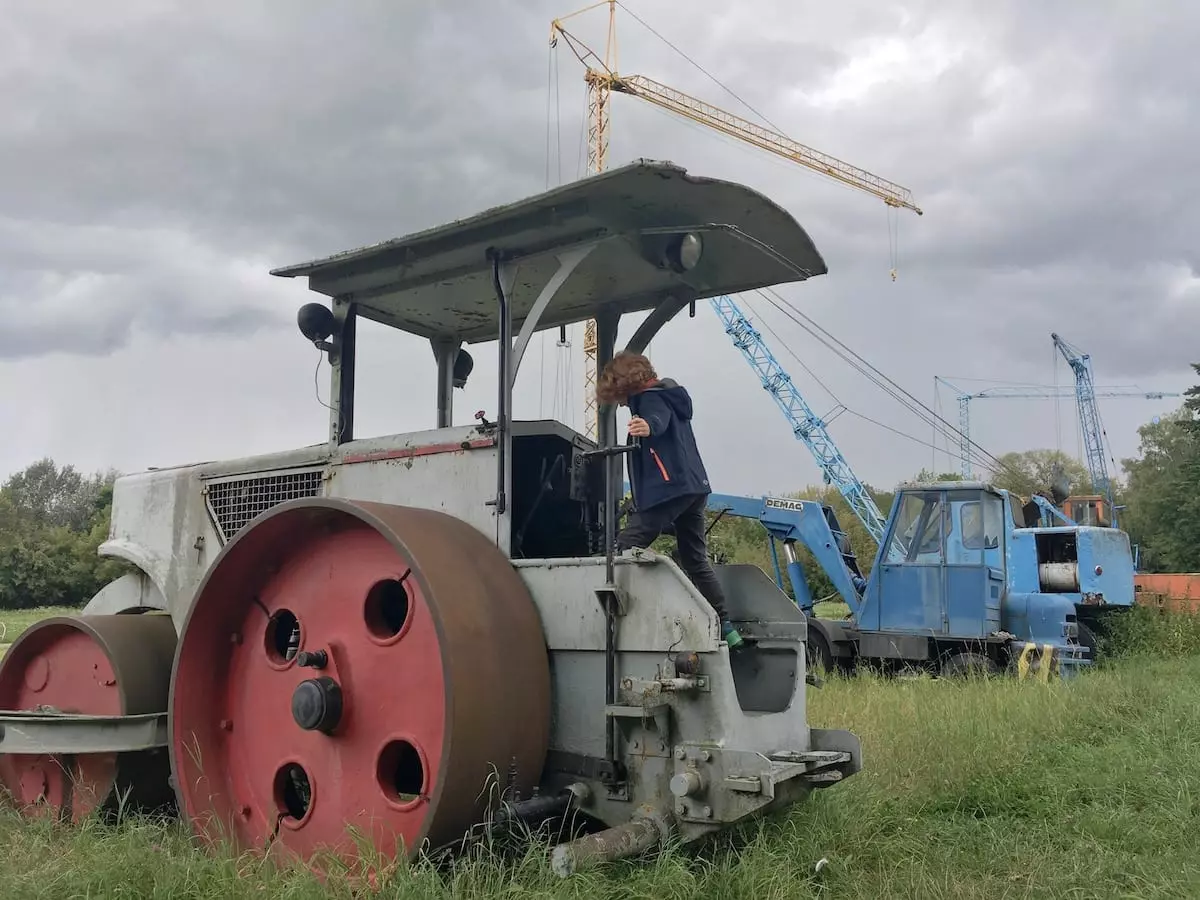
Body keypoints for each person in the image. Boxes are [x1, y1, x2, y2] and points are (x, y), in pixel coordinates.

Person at [596, 351, 744, 650]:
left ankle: (622, 619)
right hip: (694, 488)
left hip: (668, 490)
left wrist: (647, 427)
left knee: (625, 545)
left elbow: (657, 420)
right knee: (694, 559)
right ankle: (726, 627)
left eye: (618, 396)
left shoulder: (649, 399)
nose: (620, 403)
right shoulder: (671, 396)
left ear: (625, 384)